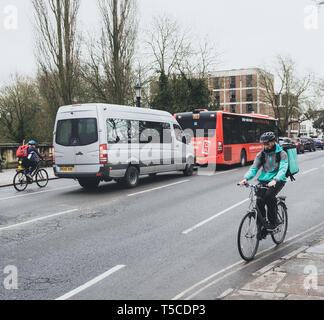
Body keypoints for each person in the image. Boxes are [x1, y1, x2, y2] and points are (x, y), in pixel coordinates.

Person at [239, 132, 289, 231]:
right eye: (264, 144)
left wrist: (275, 179)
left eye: (267, 144)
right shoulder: (261, 155)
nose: (265, 146)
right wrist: (246, 178)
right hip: (264, 179)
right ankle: (262, 224)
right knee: (259, 200)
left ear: (273, 142)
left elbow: (283, 169)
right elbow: (254, 168)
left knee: (269, 196)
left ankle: (273, 222)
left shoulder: (281, 154)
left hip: (278, 179)